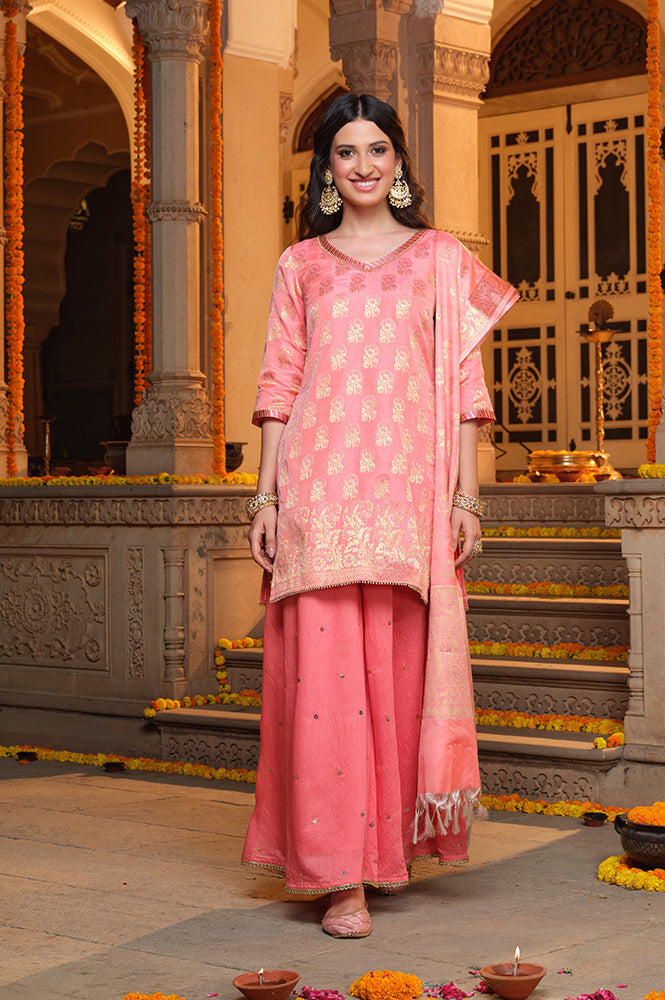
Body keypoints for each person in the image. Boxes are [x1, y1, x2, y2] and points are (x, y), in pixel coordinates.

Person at [242, 93, 518, 938]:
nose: (362, 165)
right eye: (345, 152)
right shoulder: (300, 264)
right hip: (318, 492)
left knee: (395, 684)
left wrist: (465, 496)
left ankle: (383, 851)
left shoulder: (439, 258)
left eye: (377, 150)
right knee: (324, 691)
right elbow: (279, 384)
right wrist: (265, 495)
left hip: (407, 496)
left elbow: (465, 387)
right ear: (326, 170)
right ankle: (338, 877)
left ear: (398, 163)